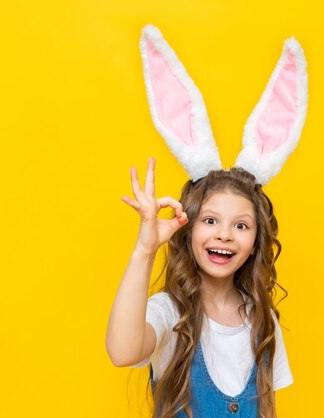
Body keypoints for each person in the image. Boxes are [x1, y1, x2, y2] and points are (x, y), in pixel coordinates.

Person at [107, 24, 309, 418]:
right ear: (188, 227)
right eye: (211, 220)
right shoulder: (169, 312)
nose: (225, 235)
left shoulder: (261, 319)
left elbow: (267, 409)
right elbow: (122, 350)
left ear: (256, 239)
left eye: (241, 225)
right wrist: (146, 248)